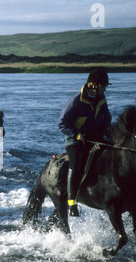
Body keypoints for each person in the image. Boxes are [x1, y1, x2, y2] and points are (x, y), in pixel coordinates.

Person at [58, 69, 112, 217]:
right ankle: (71, 202)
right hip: (75, 141)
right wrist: (78, 135)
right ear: (93, 85)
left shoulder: (102, 99)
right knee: (76, 166)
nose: (105, 88)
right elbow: (63, 124)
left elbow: (107, 118)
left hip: (95, 137)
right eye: (103, 86)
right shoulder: (75, 102)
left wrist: (107, 131)